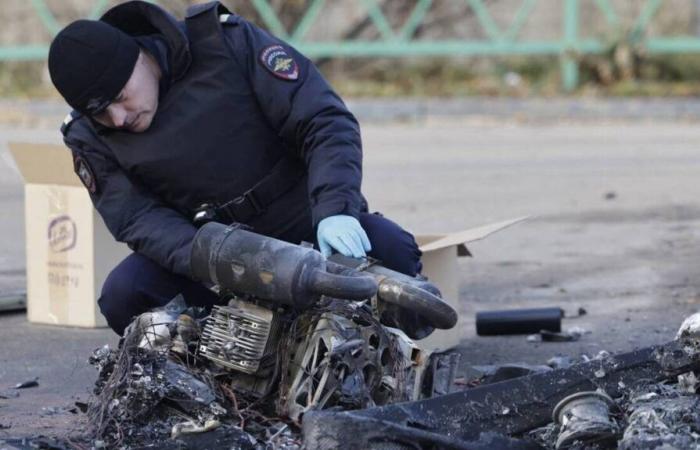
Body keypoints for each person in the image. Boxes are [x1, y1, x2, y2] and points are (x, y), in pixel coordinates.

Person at [48, 1, 423, 336]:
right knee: (124, 294)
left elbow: (323, 122)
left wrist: (335, 210)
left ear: (140, 56)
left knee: (396, 254)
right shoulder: (87, 136)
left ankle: (366, 352)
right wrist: (211, 257)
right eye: (100, 112)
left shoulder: (223, 43)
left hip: (305, 224)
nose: (118, 118)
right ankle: (222, 367)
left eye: (120, 97)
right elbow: (136, 217)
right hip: (211, 258)